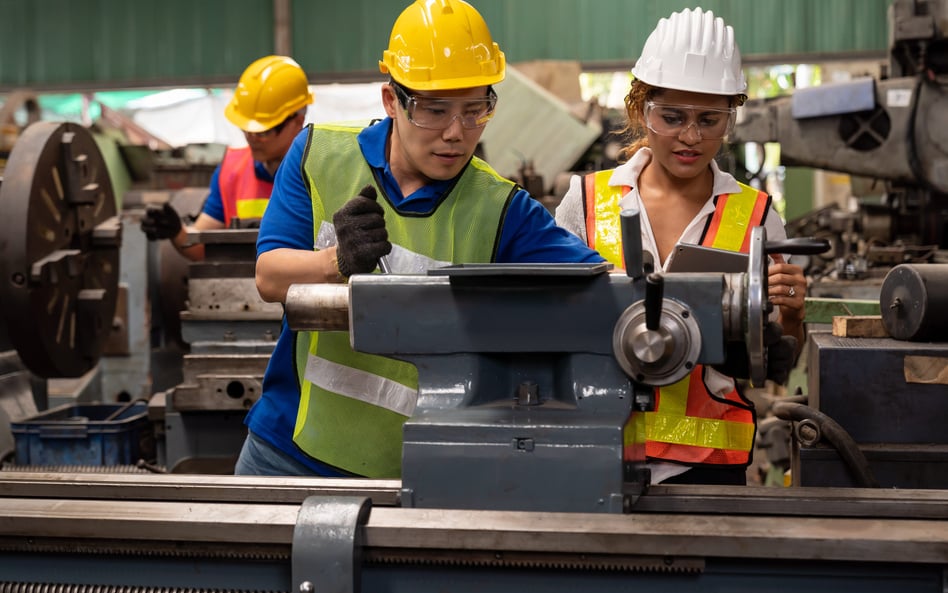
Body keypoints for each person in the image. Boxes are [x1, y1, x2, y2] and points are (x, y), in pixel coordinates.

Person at [234, 0, 604, 478]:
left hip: (414, 470)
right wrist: (337, 261)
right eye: (435, 111)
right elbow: (268, 277)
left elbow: (602, 291)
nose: (456, 133)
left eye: (475, 111)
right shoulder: (317, 154)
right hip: (286, 449)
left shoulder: (502, 210)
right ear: (392, 100)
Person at [555, 7, 804, 486]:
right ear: (639, 109)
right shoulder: (584, 203)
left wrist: (791, 313)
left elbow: (775, 366)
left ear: (731, 118)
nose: (691, 136)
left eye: (710, 119)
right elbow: (548, 323)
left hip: (709, 469)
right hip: (595, 451)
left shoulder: (757, 218)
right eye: (672, 117)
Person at [141, 55, 314, 261]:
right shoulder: (232, 170)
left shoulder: (318, 174)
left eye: (262, 131)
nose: (252, 138)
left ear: (297, 121)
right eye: (246, 129)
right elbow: (201, 247)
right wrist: (175, 231)